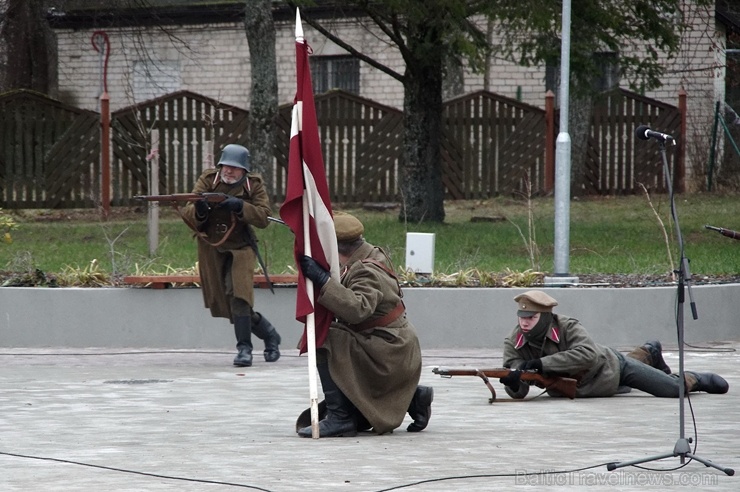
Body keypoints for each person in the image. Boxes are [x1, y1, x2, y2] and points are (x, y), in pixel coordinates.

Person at [295, 213, 433, 437]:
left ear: (336, 246)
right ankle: (411, 398)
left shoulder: (365, 270)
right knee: (336, 337)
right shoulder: (369, 253)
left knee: (322, 338)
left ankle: (341, 418)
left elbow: (358, 310)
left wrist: (323, 281)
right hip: (392, 344)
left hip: (387, 350)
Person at [499, 290, 729, 399]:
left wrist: (539, 363)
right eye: (521, 317)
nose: (524, 323)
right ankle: (648, 352)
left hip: (612, 367)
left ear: (547, 317)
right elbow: (520, 390)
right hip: (587, 389)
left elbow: (587, 354)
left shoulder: (567, 326)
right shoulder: (514, 341)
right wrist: (514, 383)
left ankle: (694, 378)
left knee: (673, 390)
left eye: (531, 318)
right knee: (627, 385)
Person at [181, 144, 281, 367]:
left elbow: (263, 217)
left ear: (244, 170)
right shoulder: (208, 180)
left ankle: (244, 349)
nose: (229, 171)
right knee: (226, 303)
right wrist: (200, 209)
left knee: (239, 295)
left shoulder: (253, 185)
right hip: (212, 248)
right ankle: (270, 335)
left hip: (241, 248)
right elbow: (189, 212)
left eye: (235, 168)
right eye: (226, 166)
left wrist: (240, 206)